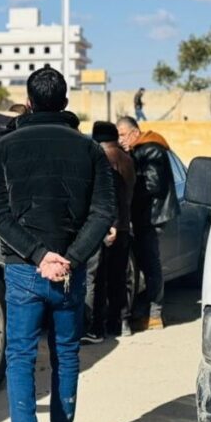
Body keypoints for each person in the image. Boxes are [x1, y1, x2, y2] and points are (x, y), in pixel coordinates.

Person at [0, 68, 114, 422]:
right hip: (68, 274)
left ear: (28, 102)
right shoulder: (88, 149)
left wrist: (40, 256)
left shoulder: (3, 148)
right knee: (66, 355)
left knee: (21, 358)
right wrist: (69, 258)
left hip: (24, 269)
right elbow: (103, 212)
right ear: (65, 103)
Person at [116, 116, 178, 331]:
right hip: (145, 217)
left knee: (151, 265)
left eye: (123, 135)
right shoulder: (140, 150)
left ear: (134, 132)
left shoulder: (150, 149)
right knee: (144, 264)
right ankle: (146, 311)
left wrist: (128, 194)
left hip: (152, 217)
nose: (120, 140)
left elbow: (153, 185)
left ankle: (154, 315)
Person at [83, 121, 137, 343]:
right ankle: (121, 321)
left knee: (96, 278)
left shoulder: (102, 159)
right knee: (119, 277)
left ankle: (95, 328)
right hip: (124, 225)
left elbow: (109, 196)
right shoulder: (127, 159)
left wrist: (108, 226)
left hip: (106, 228)